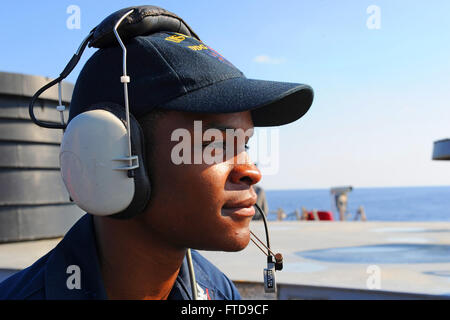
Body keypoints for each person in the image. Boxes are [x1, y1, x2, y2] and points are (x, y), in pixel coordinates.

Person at [0, 6, 313, 300]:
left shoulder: (219, 292)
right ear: (108, 154)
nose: (253, 171)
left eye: (243, 145)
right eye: (214, 144)